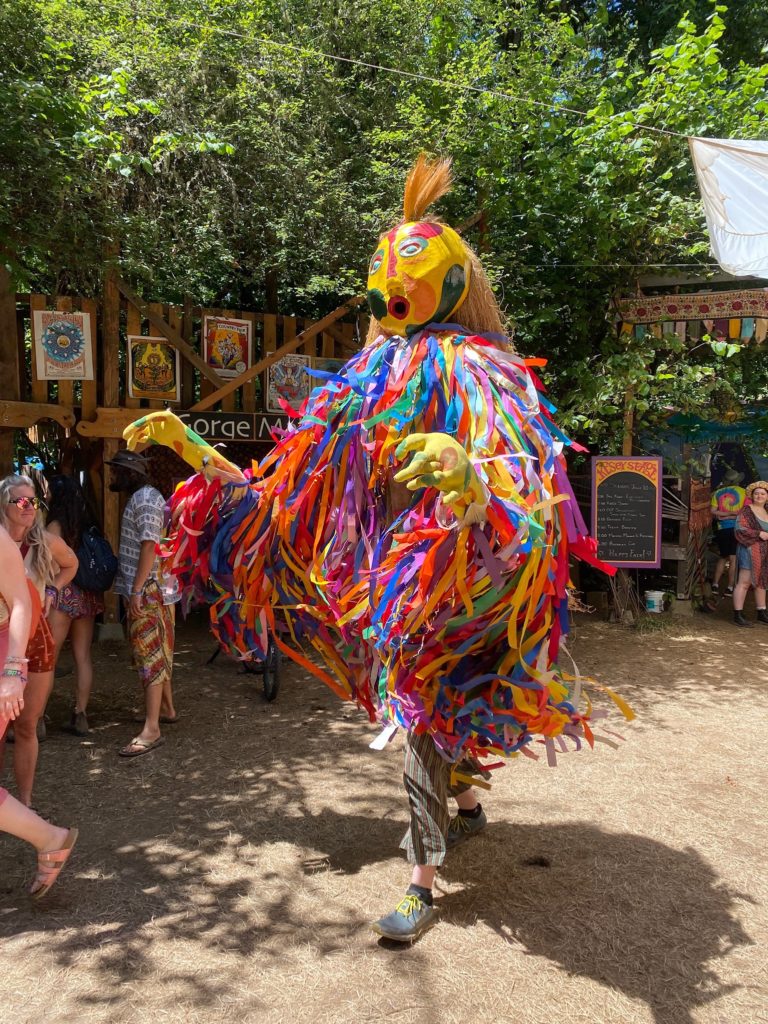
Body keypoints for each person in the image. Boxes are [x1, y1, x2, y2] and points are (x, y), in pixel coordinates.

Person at [122, 156, 629, 942]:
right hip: (388, 582)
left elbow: (527, 492)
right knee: (435, 713)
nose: (390, 286)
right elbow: (281, 492)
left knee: (429, 711)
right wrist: (191, 447)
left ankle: (421, 883)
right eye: (384, 270)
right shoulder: (366, 377)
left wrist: (469, 488)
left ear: (455, 279)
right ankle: (465, 808)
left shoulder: (484, 372)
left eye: (412, 267)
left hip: (463, 578)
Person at [0, 523, 78, 898]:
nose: (23, 508)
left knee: (26, 728)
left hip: (7, 663)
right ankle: (49, 838)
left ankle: (50, 837)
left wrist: (14, 671)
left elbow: (21, 603)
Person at [0, 475, 77, 807]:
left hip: (35, 641)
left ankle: (26, 804)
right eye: (21, 501)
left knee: (28, 725)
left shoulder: (44, 542)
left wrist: (52, 588)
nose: (29, 508)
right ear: (4, 504)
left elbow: (71, 564)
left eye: (34, 501)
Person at [107, 450, 179, 757]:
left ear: (129, 473)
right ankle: (167, 710)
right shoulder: (143, 497)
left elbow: (150, 545)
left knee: (150, 656)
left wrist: (136, 591)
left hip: (148, 592)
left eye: (115, 472)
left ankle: (152, 729)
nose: (112, 477)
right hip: (148, 589)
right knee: (155, 652)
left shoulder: (146, 499)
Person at [46, 475, 105, 736]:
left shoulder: (55, 526)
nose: (45, 495)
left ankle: (36, 720)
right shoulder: (87, 522)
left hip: (61, 596)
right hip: (88, 596)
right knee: (83, 657)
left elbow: (47, 565)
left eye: (48, 491)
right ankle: (80, 715)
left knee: (49, 659)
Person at [732, 481, 768, 627]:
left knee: (761, 582)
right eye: (756, 493)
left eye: (763, 493)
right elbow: (739, 528)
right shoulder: (747, 510)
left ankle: (761, 612)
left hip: (764, 552)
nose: (759, 496)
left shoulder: (767, 511)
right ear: (752, 496)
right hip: (749, 550)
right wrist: (759, 533)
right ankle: (737, 614)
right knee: (745, 582)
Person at [709, 469, 746, 597]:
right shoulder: (744, 493)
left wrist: (725, 516)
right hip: (737, 528)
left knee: (723, 556)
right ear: (738, 481)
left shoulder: (718, 493)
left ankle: (715, 585)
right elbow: (745, 513)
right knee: (733, 558)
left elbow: (713, 511)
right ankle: (730, 587)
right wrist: (732, 515)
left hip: (722, 528)